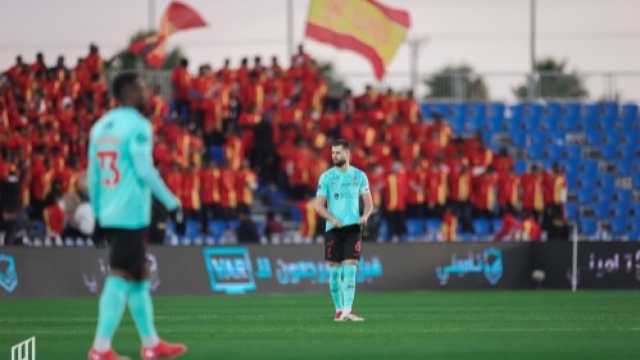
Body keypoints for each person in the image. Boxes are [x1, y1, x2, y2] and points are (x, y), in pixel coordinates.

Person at [87, 72, 187, 360]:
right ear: (130, 92)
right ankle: (100, 348)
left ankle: (151, 344)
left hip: (108, 211)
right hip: (130, 212)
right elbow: (145, 171)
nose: (147, 93)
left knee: (140, 277)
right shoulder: (138, 125)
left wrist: (96, 214)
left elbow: (93, 176)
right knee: (120, 276)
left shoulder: (100, 126)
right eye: (142, 88)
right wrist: (172, 203)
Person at [313, 139, 373, 322]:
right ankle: (339, 310)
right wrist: (332, 218)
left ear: (347, 154)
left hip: (353, 228)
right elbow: (318, 206)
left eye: (338, 153)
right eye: (333, 153)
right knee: (334, 273)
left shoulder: (360, 176)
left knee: (350, 270)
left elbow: (369, 203)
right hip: (333, 228)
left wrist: (365, 216)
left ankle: (347, 310)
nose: (334, 156)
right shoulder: (326, 177)